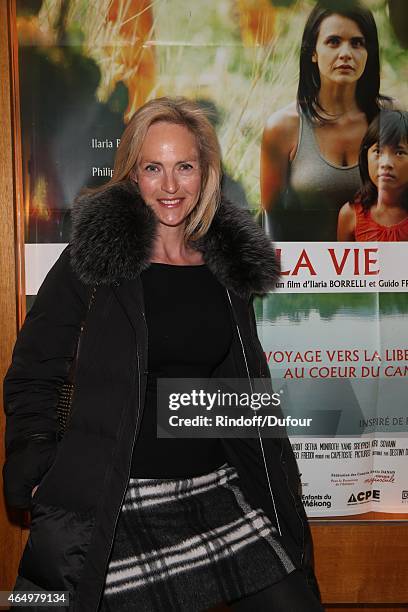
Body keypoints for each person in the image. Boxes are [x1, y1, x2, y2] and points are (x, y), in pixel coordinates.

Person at [3, 97, 323, 612]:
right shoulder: (94, 256)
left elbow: (240, 390)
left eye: (184, 168)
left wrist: (272, 471)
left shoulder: (224, 267)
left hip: (215, 493)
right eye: (153, 168)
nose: (170, 187)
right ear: (132, 175)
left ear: (205, 173)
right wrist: (35, 462)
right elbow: (34, 368)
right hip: (119, 502)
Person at [261, 1, 390, 241]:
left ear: (368, 53)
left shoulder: (392, 124)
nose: (346, 54)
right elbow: (271, 223)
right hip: (308, 273)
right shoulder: (283, 128)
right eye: (333, 41)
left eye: (357, 43)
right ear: (313, 52)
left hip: (379, 273)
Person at [338, 109, 408, 241]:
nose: (385, 163)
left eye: (399, 152)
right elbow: (344, 261)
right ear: (365, 157)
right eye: (378, 151)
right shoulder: (350, 214)